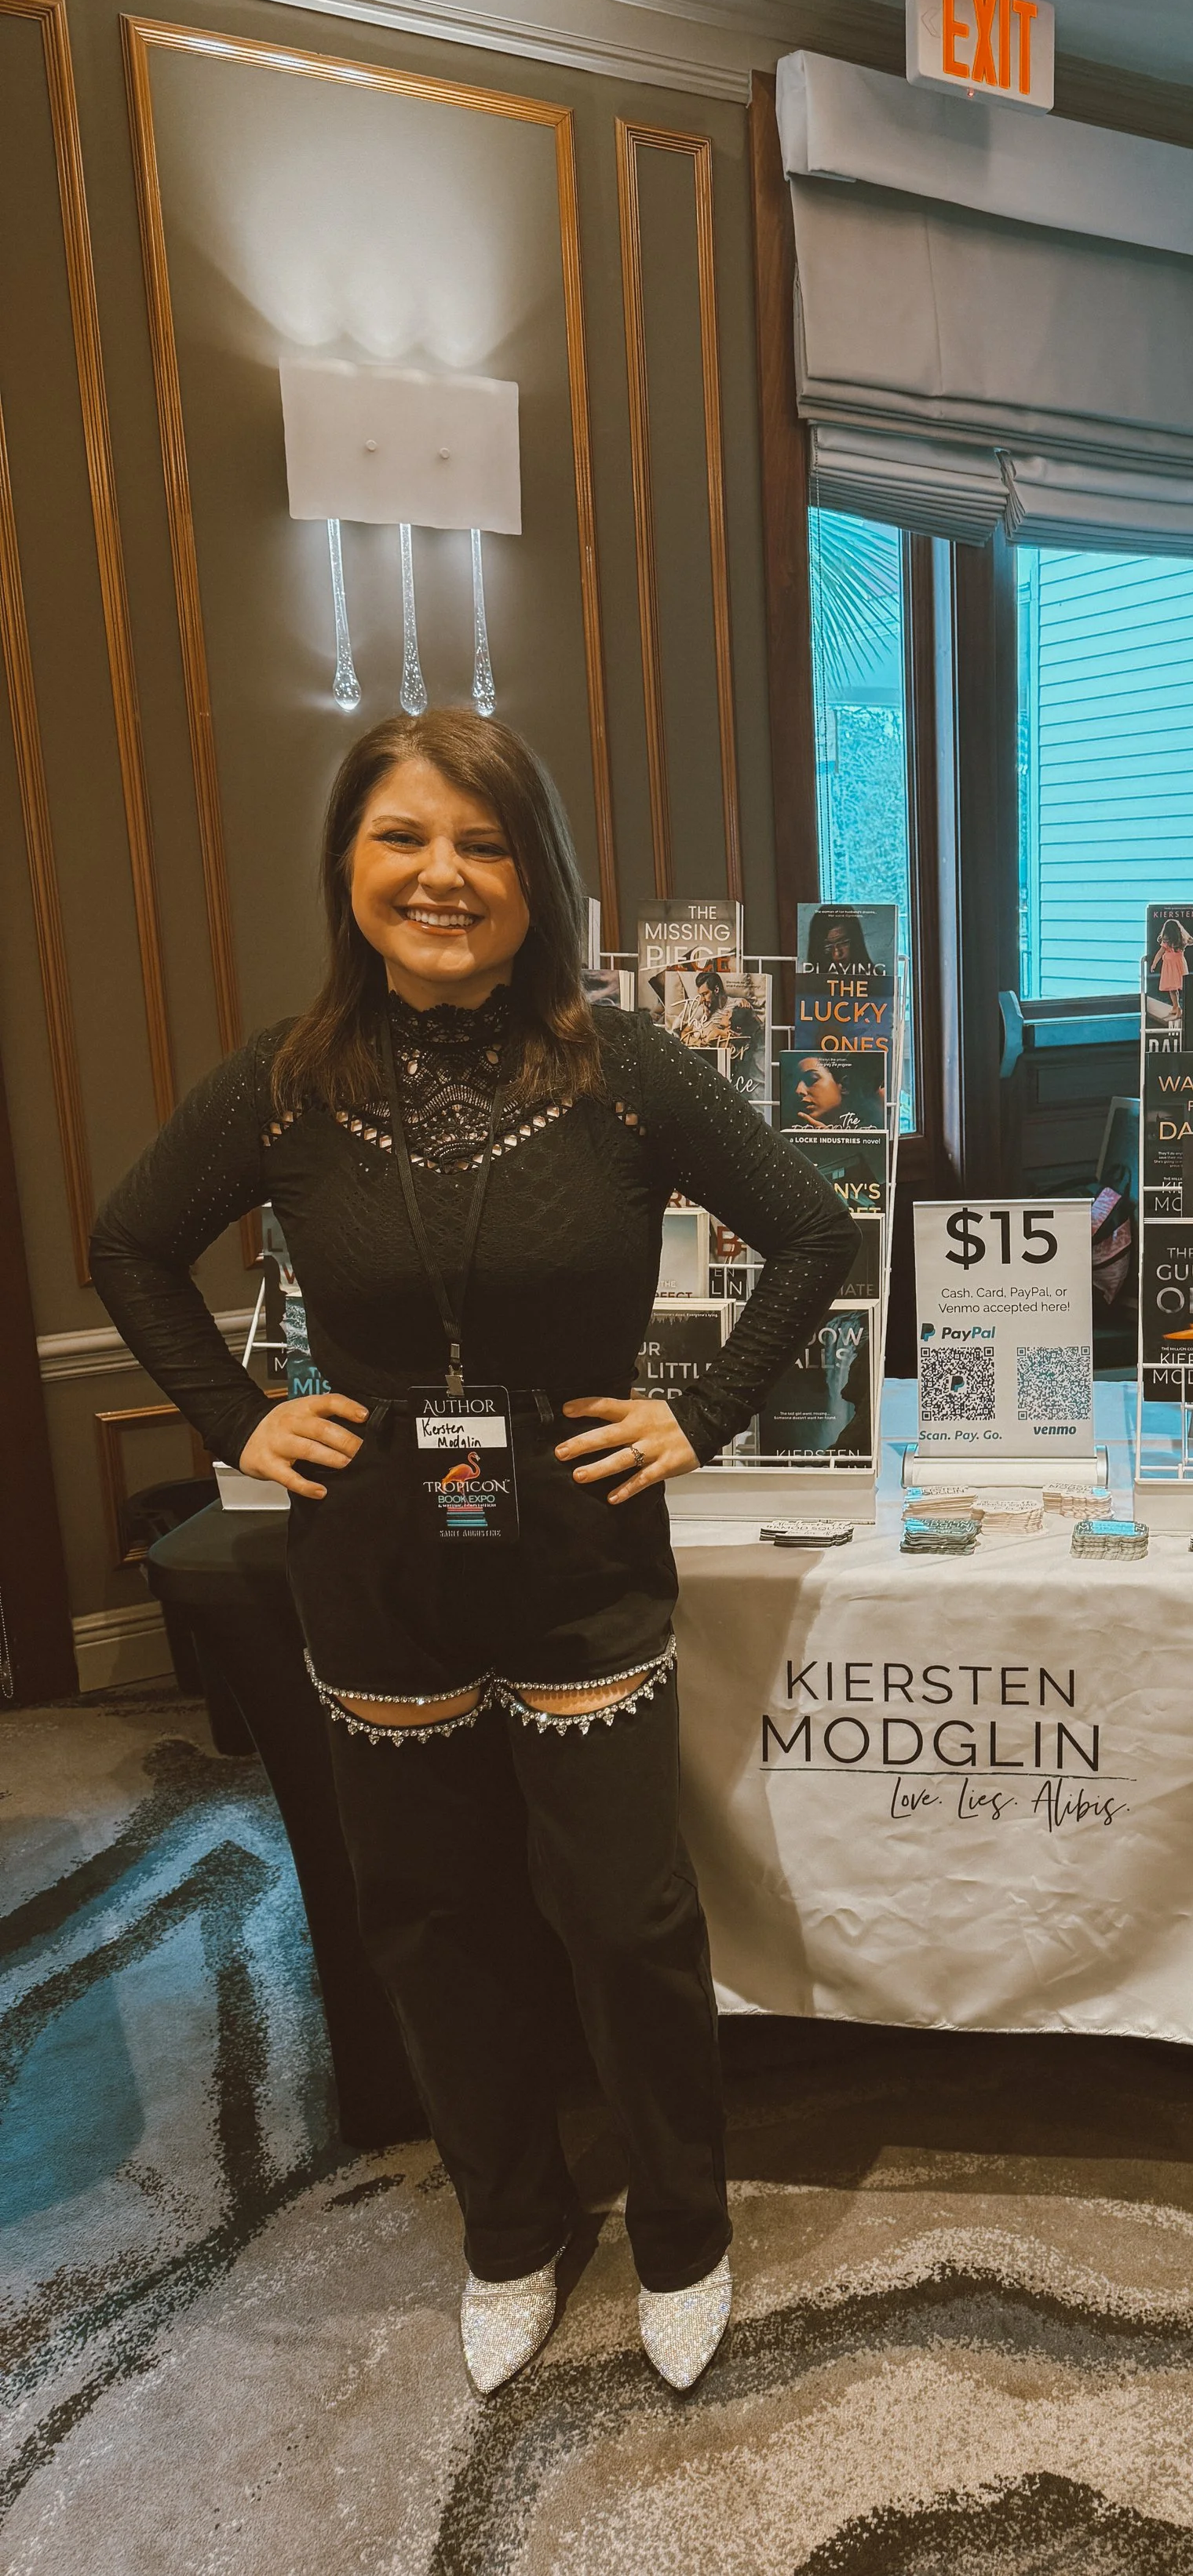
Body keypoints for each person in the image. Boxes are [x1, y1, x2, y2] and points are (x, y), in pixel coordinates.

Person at [89, 711, 856, 2398]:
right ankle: (510, 2229)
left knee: (624, 1914)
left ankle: (682, 2232)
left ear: (536, 878)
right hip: (373, 1560)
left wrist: (700, 1416)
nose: (441, 873)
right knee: (430, 1915)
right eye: (402, 836)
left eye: (483, 842)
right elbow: (129, 1244)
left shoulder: (624, 1069)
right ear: (347, 865)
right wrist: (240, 1419)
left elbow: (815, 1229)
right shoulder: (283, 1085)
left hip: (582, 1552)